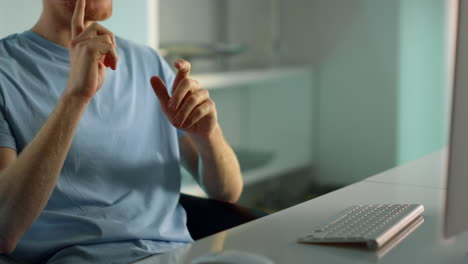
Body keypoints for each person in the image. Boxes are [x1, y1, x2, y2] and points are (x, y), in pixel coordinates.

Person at [0, 0, 243, 263]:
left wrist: (208, 135)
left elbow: (228, 192)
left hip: (177, 255)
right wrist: (76, 97)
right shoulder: (6, 70)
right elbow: (4, 230)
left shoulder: (149, 62)